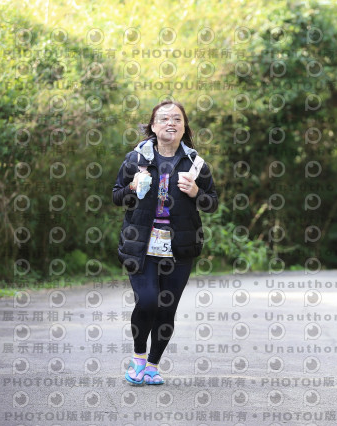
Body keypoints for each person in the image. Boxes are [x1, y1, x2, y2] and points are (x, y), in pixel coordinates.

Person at [112, 100, 218, 385]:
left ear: (184, 128)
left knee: (167, 309)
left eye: (177, 119)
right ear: (153, 126)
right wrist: (132, 186)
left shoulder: (196, 164)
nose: (171, 123)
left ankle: (152, 366)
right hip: (141, 245)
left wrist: (196, 192)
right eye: (164, 118)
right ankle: (138, 358)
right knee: (148, 301)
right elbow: (116, 196)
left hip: (179, 249)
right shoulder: (136, 159)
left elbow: (212, 203)